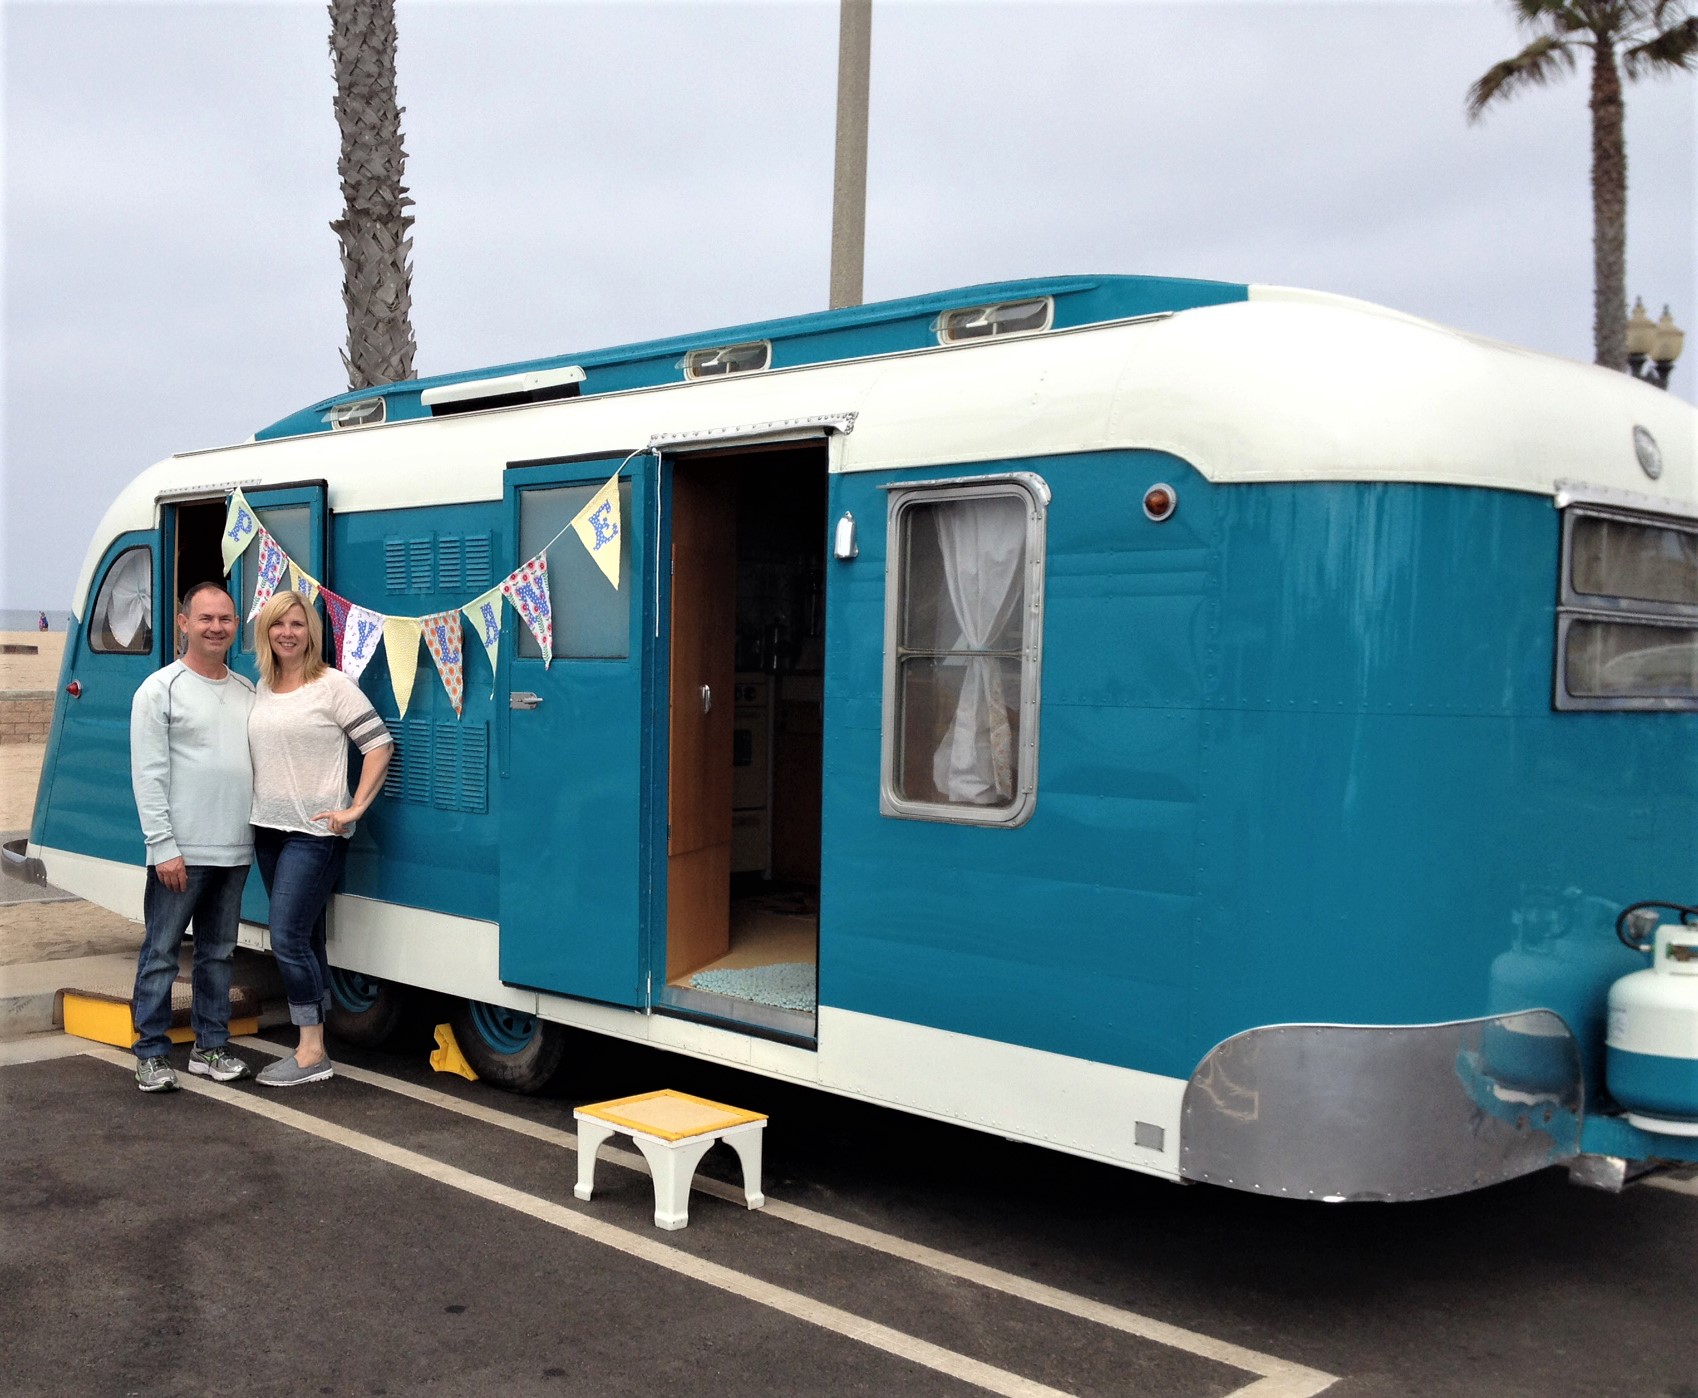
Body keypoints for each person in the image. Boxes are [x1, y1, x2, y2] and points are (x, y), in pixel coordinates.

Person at [249, 590, 391, 1087]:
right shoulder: (262, 687)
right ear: (265, 632)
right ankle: (314, 1041)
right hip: (267, 830)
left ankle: (311, 1051)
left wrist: (354, 807)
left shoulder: (333, 686)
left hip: (316, 833)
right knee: (304, 935)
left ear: (312, 631)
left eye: (298, 623)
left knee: (285, 934)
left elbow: (379, 744)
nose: (288, 632)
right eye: (277, 625)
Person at [129, 582, 256, 1092]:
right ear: (184, 623)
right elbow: (149, 775)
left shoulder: (247, 691)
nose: (216, 627)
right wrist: (163, 846)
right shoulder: (159, 690)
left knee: (218, 953)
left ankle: (209, 1047)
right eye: (205, 618)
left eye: (225, 619)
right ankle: (153, 1053)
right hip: (179, 853)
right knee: (161, 953)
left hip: (234, 849)